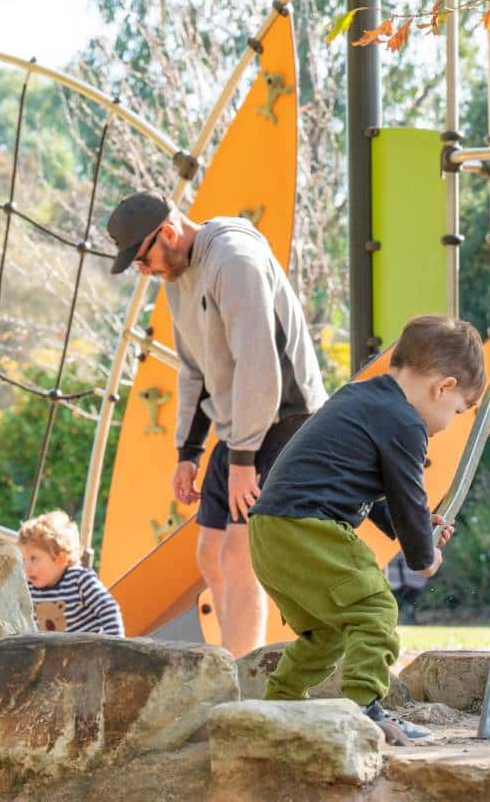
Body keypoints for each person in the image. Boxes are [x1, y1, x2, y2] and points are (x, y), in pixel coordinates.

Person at [106, 190, 327, 656]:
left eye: (142, 260)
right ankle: (233, 664)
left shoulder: (235, 260)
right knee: (210, 554)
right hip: (239, 423)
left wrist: (244, 459)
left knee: (240, 556)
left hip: (284, 418)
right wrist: (187, 454)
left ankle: (241, 682)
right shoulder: (176, 275)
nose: (143, 272)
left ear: (168, 232)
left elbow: (259, 367)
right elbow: (195, 369)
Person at [248, 314, 485, 745]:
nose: (449, 422)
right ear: (443, 387)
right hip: (307, 528)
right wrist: (424, 557)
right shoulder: (405, 422)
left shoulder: (364, 398)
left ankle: (280, 701)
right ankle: (365, 711)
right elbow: (409, 493)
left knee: (328, 631)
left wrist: (412, 526)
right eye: (456, 411)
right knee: (374, 609)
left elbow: (380, 493)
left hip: (271, 531)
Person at [19, 510, 125, 635]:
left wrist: (115, 647)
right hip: (53, 652)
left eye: (33, 559)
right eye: (24, 559)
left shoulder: (80, 580)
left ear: (60, 558)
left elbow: (108, 609)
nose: (27, 567)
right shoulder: (29, 588)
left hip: (88, 650)